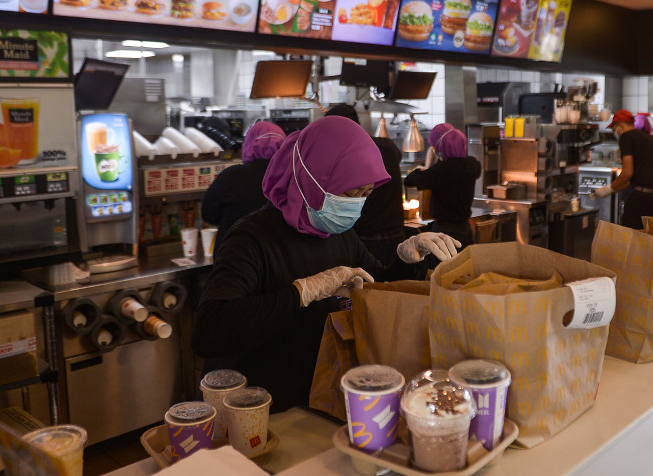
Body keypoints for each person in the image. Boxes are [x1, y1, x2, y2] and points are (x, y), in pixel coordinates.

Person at [193, 117, 460, 413]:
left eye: (365, 194)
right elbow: (209, 332)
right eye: (349, 194)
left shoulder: (339, 233)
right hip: (262, 406)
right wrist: (303, 292)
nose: (356, 204)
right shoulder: (251, 238)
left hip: (319, 396)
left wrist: (406, 258)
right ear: (313, 178)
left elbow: (375, 285)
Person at [323, 104, 405, 266]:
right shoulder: (387, 146)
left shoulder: (344, 155)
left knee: (368, 288)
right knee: (395, 284)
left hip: (365, 240)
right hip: (396, 235)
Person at [201, 121, 286, 253]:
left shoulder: (232, 176)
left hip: (234, 258)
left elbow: (208, 214)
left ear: (249, 144)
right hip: (278, 261)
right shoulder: (290, 178)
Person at [404, 123, 481, 249]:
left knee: (443, 269)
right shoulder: (472, 165)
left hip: (444, 233)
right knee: (466, 267)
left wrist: (425, 168)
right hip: (466, 230)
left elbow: (409, 181)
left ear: (440, 148)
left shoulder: (440, 171)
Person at [593, 109, 653, 230]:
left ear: (620, 126)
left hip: (643, 198)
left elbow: (628, 172)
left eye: (614, 129)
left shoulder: (626, 137)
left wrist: (610, 188)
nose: (615, 132)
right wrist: (613, 190)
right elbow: (636, 176)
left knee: (631, 236)